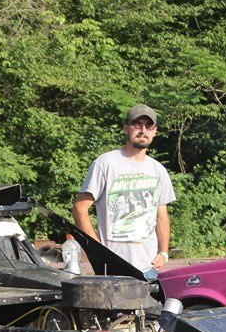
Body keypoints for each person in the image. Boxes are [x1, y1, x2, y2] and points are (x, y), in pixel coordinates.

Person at [73, 104, 175, 271]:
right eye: (137, 124)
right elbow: (79, 208)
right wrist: (98, 251)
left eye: (149, 126)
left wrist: (163, 253)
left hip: (149, 268)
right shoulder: (105, 163)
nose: (143, 130)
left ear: (154, 131)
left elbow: (161, 216)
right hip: (112, 267)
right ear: (126, 128)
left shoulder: (158, 170)